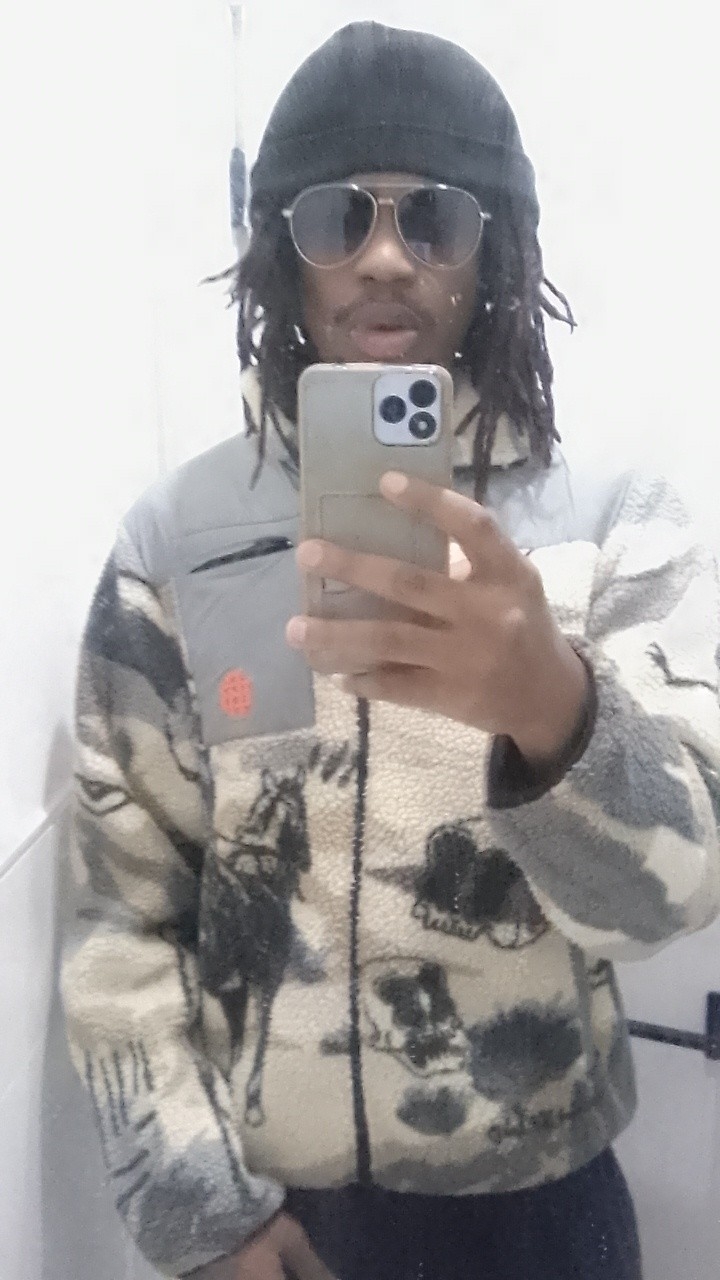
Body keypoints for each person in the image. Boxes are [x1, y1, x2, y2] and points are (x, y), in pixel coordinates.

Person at [61, 21, 720, 1280]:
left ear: (495, 250)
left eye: (434, 218)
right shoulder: (178, 537)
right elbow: (121, 914)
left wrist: (558, 710)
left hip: (544, 1213)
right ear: (280, 252)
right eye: (335, 215)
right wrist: (205, 1211)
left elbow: (673, 899)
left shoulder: (617, 526)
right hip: (276, 1214)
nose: (382, 255)